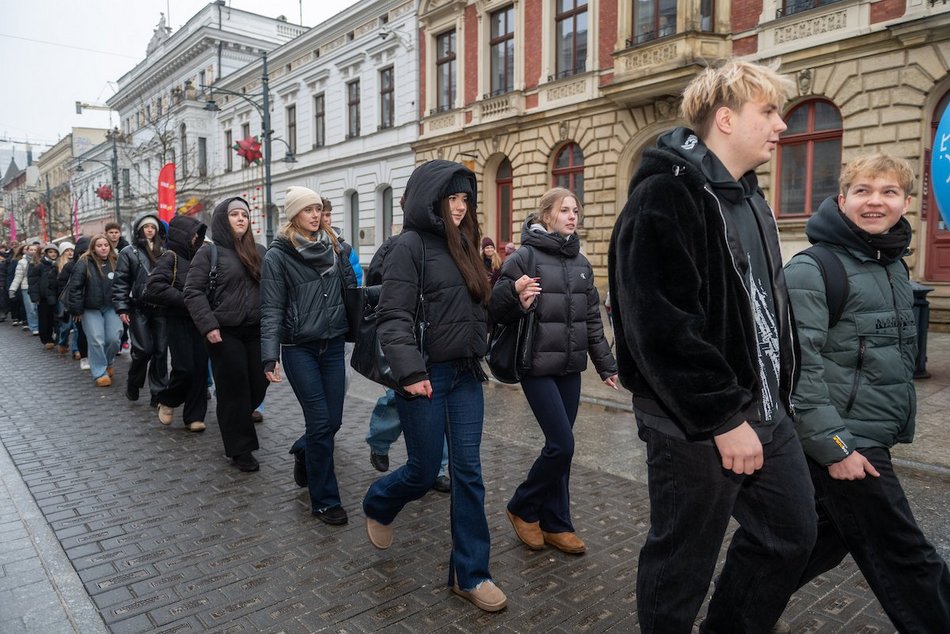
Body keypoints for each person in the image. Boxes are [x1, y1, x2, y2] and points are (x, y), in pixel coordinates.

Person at [607, 59, 817, 633]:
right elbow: (657, 325)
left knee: (792, 534)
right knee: (682, 564)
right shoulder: (663, 196)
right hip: (694, 424)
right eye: (768, 111)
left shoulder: (749, 197)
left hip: (768, 412)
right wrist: (724, 418)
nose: (782, 124)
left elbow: (763, 306)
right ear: (725, 119)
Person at [785, 154, 950, 630]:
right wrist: (836, 447)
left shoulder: (892, 265)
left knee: (817, 540)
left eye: (888, 192)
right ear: (842, 200)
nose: (875, 201)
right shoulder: (812, 270)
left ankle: (740, 607)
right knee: (906, 554)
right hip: (846, 439)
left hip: (870, 431)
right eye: (862, 191)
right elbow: (798, 369)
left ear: (907, 203)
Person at [362, 160, 507, 612]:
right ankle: (380, 500)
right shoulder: (409, 246)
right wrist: (410, 372)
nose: (461, 207)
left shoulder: (465, 245)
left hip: (465, 374)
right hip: (424, 376)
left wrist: (513, 301)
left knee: (468, 472)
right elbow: (393, 317)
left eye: (466, 198)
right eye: (453, 198)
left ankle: (470, 573)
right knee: (424, 472)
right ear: (432, 199)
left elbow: (478, 312)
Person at [490, 187, 618, 555]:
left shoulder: (581, 262)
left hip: (570, 368)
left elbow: (592, 319)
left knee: (559, 448)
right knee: (563, 444)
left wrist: (606, 365)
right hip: (536, 366)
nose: (573, 216)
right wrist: (515, 294)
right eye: (565, 210)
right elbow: (493, 305)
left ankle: (556, 523)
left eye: (576, 210)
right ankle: (521, 506)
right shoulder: (524, 257)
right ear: (547, 216)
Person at [261, 187, 357, 524]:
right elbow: (271, 308)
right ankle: (325, 500)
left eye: (318, 209)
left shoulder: (335, 248)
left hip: (333, 345)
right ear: (294, 215)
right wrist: (268, 356)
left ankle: (304, 451)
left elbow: (350, 291)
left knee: (333, 422)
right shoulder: (278, 256)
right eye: (308, 210)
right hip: (299, 348)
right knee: (319, 424)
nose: (315, 215)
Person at [184, 197, 268, 472]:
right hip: (224, 332)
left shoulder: (259, 251)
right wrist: (209, 326)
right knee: (234, 388)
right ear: (223, 219)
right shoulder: (209, 253)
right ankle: (240, 449)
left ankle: (234, 419)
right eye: (234, 214)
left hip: (255, 330)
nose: (241, 218)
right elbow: (193, 292)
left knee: (257, 383)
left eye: (244, 214)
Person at [363, 233, 451, 493]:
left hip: (441, 343)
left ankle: (440, 468)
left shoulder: (451, 244)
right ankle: (378, 442)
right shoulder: (396, 245)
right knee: (395, 399)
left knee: (438, 406)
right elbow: (377, 288)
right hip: (407, 343)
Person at [145, 215, 209, 433]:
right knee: (185, 368)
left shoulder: (202, 256)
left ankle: (194, 416)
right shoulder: (169, 257)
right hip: (177, 319)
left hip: (200, 319)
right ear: (183, 235)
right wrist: (187, 300)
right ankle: (168, 399)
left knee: (200, 369)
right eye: (193, 234)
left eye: (198, 234)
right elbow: (154, 287)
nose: (196, 238)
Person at [114, 213, 169, 406]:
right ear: (139, 229)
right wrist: (122, 308)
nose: (149, 230)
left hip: (162, 308)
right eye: (146, 227)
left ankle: (159, 393)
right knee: (143, 350)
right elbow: (121, 282)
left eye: (153, 227)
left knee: (161, 352)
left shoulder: (165, 251)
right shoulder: (128, 252)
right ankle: (134, 382)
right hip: (139, 309)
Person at [66, 234, 122, 387]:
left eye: (106, 245)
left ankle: (108, 362)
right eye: (99, 245)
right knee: (96, 339)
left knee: (114, 338)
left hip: (111, 306)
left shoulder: (116, 261)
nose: (103, 248)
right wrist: (76, 310)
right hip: (90, 308)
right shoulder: (84, 262)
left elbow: (124, 284)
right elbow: (75, 287)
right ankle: (100, 372)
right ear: (93, 248)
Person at [28, 243, 62, 349]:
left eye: (55, 252)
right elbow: (33, 282)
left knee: (57, 318)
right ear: (46, 253)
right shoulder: (38, 265)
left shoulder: (59, 264)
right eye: (51, 252)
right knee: (45, 318)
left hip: (57, 295)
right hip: (44, 297)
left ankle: (58, 337)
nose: (53, 254)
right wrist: (35, 297)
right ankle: (46, 339)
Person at [10, 243, 39, 334]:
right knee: (31, 308)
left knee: (39, 309)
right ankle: (34, 327)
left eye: (35, 250)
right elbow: (18, 277)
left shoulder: (40, 261)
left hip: (38, 287)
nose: (33, 251)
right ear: (27, 251)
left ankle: (41, 326)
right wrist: (12, 289)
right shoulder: (21, 262)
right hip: (26, 287)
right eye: (31, 249)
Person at [54, 242, 77, 356]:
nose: (70, 252)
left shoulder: (78, 263)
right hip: (64, 298)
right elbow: (56, 284)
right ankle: (63, 342)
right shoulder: (57, 266)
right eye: (67, 250)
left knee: (77, 325)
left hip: (76, 297)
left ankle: (76, 349)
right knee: (66, 324)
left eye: (71, 250)